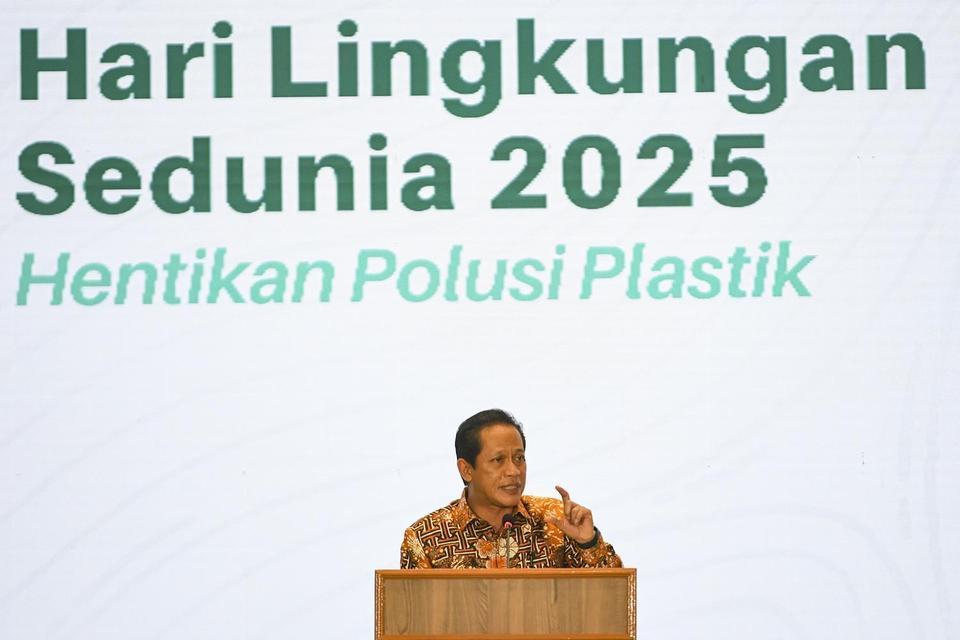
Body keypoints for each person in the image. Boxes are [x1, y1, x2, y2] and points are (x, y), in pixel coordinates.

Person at [400, 409, 622, 569]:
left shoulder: (556, 521)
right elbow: (410, 616)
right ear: (466, 470)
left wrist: (588, 542)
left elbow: (612, 600)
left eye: (519, 458)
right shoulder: (425, 538)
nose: (514, 471)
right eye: (498, 460)